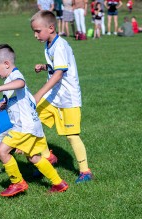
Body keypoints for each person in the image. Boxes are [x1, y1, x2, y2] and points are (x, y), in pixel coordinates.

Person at [0, 44, 69, 197]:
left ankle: (17, 182)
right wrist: (4, 104)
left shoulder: (15, 76)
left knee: (1, 151)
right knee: (34, 157)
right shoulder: (8, 82)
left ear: (6, 64)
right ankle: (59, 183)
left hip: (23, 126)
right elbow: (18, 98)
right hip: (32, 125)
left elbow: (20, 83)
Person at [30, 10, 93, 183]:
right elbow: (56, 67)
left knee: (72, 136)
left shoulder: (60, 45)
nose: (35, 35)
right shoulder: (48, 45)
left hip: (68, 98)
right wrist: (44, 67)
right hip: (54, 96)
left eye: (37, 31)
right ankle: (47, 156)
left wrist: (39, 93)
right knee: (34, 120)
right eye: (34, 32)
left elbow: (59, 74)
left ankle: (85, 171)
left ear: (51, 28)